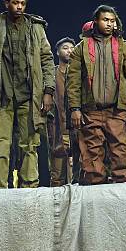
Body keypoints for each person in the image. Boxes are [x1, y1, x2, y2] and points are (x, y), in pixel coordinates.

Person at [0, 0, 55, 188]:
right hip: (2, 96)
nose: (19, 7)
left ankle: (29, 186)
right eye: (15, 3)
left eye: (23, 3)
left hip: (29, 95)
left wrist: (48, 91)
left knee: (29, 144)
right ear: (6, 3)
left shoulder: (35, 28)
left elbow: (47, 59)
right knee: (0, 145)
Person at [67, 5, 126, 185]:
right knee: (92, 156)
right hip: (90, 110)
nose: (109, 24)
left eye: (112, 20)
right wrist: (75, 108)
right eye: (105, 20)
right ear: (96, 22)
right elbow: (74, 81)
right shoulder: (82, 48)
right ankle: (95, 199)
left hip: (116, 111)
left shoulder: (124, 47)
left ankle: (124, 195)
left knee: (120, 153)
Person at [49, 37, 75, 186]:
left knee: (76, 173)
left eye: (72, 48)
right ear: (57, 52)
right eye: (65, 48)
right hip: (58, 129)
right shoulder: (52, 74)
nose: (69, 51)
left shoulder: (77, 73)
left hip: (75, 128)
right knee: (57, 174)